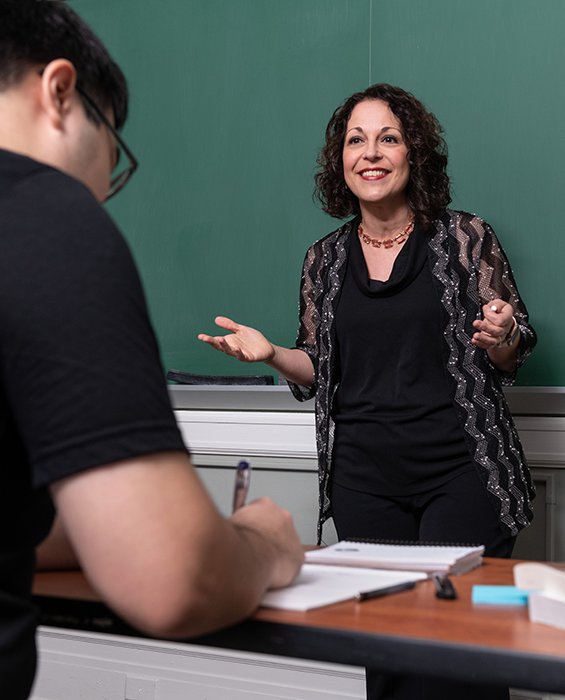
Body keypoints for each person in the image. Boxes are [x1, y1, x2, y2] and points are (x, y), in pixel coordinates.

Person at [0, 2, 304, 699]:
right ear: (60, 92)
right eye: (112, 157)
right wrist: (266, 546)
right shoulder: (39, 211)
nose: (101, 192)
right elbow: (173, 581)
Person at [199, 83, 536, 700]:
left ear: (414, 155)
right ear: (341, 160)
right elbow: (323, 366)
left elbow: (512, 347)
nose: (371, 152)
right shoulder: (323, 261)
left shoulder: (464, 239)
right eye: (356, 140)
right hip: (365, 480)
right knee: (387, 660)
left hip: (460, 474)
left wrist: (503, 334)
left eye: (389, 138)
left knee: (458, 664)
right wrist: (272, 354)